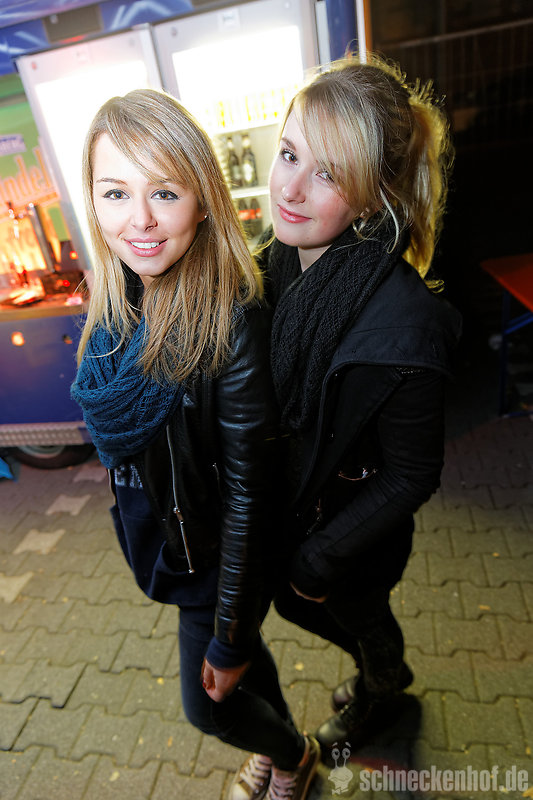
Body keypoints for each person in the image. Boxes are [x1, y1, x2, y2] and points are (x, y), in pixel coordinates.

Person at [70, 88, 320, 800]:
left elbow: (250, 496)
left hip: (213, 562)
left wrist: (229, 633)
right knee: (241, 672)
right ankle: (278, 741)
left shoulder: (230, 321)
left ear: (203, 199)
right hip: (169, 545)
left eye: (164, 192)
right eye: (115, 193)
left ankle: (293, 756)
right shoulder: (119, 296)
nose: (139, 220)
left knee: (208, 705)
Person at [257, 54, 462, 757]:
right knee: (299, 606)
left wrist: (319, 558)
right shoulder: (274, 262)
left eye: (328, 174)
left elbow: (412, 473)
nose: (290, 188)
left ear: (373, 198)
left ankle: (384, 689)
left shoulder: (406, 325)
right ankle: (379, 670)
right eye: (289, 154)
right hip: (296, 514)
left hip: (350, 537)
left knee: (357, 614)